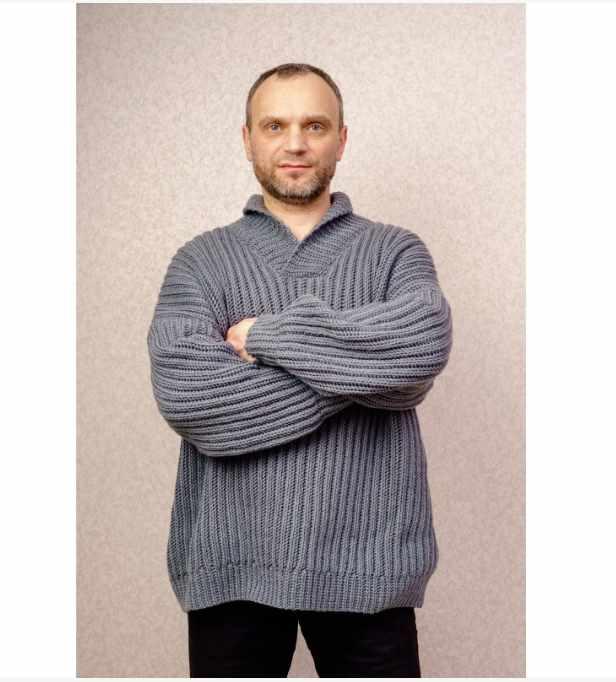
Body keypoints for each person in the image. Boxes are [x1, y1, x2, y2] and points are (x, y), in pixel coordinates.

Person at [147, 62, 453, 677]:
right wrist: (362, 372)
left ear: (341, 139)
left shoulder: (395, 250)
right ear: (247, 139)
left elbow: (420, 346)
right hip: (231, 569)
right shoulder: (200, 262)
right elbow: (189, 396)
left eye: (315, 125)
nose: (295, 143)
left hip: (371, 567)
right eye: (274, 126)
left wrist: (267, 336)